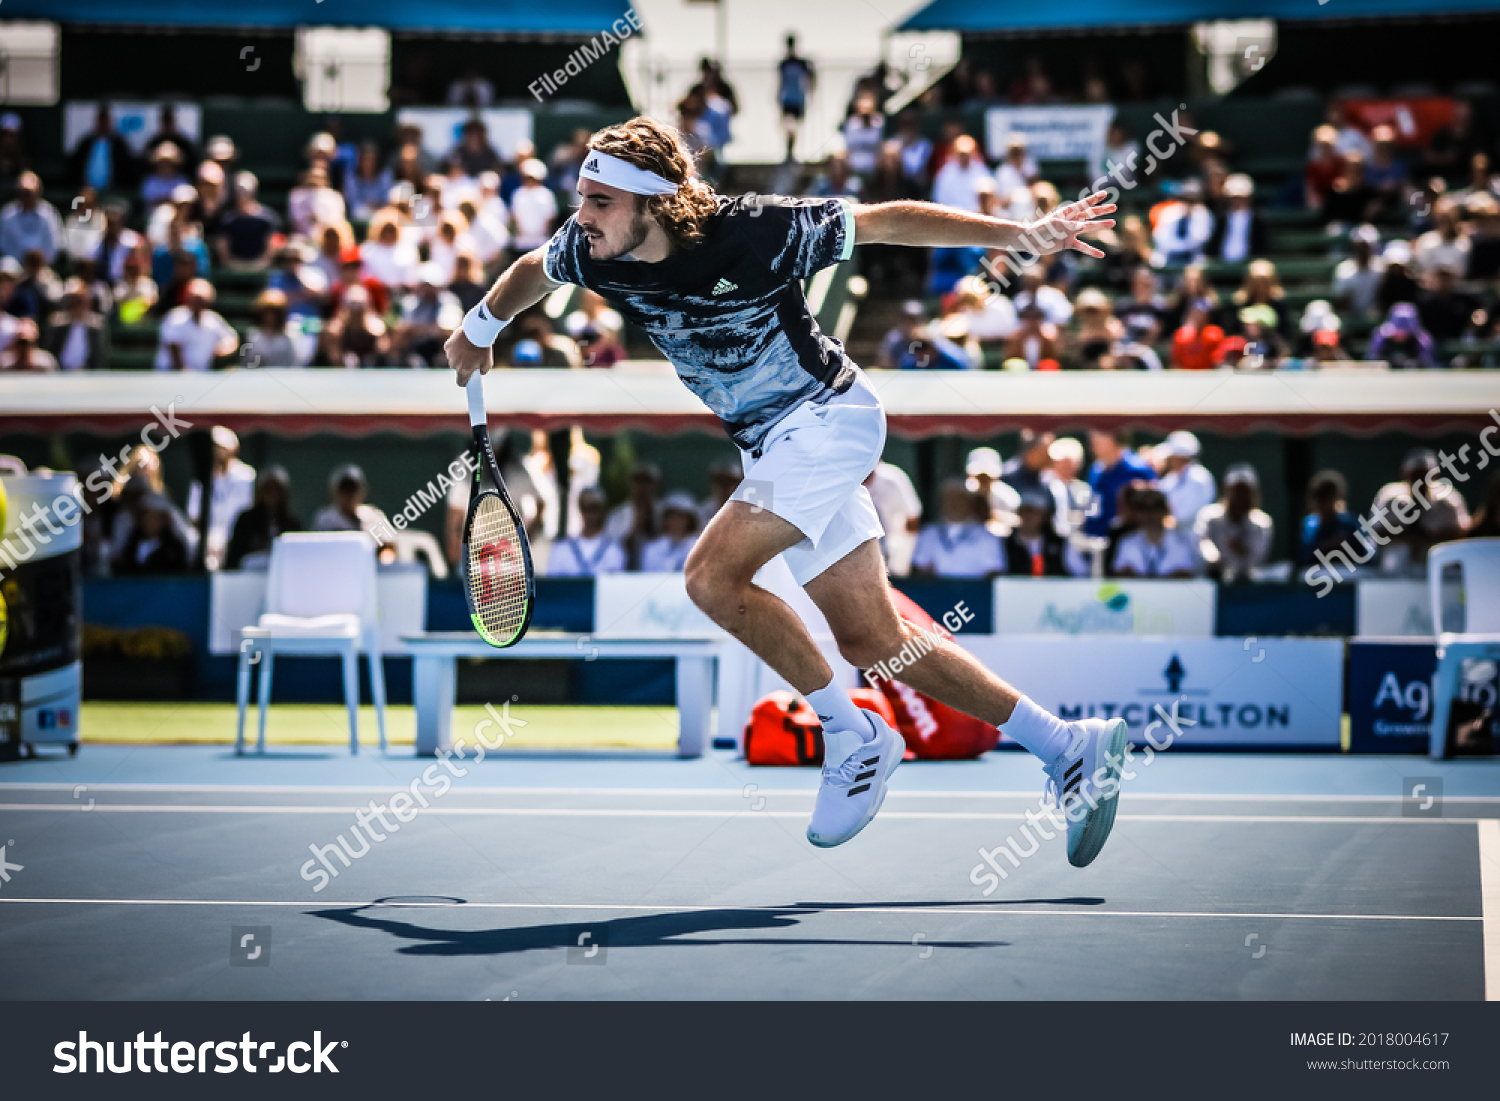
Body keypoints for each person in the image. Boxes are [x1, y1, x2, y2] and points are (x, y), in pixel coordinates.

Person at [442, 115, 1125, 858]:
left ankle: (853, 731)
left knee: (710, 577)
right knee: (875, 640)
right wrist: (480, 325)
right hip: (770, 446)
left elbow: (885, 221)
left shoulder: (757, 231)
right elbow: (531, 271)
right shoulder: (591, 248)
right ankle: (1066, 745)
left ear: (652, 203)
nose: (583, 215)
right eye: (582, 196)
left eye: (600, 200)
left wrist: (1020, 233)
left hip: (830, 419)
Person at [186, 426, 257, 570]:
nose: (217, 451)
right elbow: (193, 516)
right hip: (206, 543)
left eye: (221, 447)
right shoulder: (201, 479)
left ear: (233, 449)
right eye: (214, 447)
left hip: (236, 540)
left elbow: (247, 513)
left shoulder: (247, 476)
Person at [911, 480, 1006, 579]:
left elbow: (995, 573)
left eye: (958, 499)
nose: (953, 505)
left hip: (973, 592)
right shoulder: (928, 533)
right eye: (948, 500)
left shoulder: (986, 536)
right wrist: (925, 575)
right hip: (934, 592)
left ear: (969, 503)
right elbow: (917, 569)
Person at [1194, 464, 1272, 582]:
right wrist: (1215, 560)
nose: (1241, 496)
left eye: (1245, 491)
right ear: (1227, 490)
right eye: (1237, 490)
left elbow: (1258, 558)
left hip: (1248, 584)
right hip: (1212, 582)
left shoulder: (1262, 522)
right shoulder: (1209, 516)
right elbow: (1202, 543)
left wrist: (1241, 548)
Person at [1084, 427, 1156, 537]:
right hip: (1096, 539)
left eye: (1099, 436)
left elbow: (1152, 511)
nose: (1093, 442)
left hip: (1127, 542)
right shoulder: (1096, 469)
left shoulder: (1138, 470)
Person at [1111, 487, 1199, 578]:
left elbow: (1185, 573)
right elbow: (1121, 573)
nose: (1149, 515)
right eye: (1144, 509)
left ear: (1166, 510)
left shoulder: (1182, 541)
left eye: (1155, 508)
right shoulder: (1127, 541)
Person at [155, 279, 237, 371]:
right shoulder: (175, 318)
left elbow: (230, 338)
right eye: (195, 299)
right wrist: (185, 374)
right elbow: (174, 352)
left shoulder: (213, 319)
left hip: (200, 377)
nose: (199, 303)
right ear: (188, 298)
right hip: (172, 376)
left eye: (202, 300)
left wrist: (224, 348)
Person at [1004, 489, 1085, 577]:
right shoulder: (1007, 543)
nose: (1028, 517)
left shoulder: (1061, 544)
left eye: (1034, 512)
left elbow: (1080, 573)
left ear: (1045, 515)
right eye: (1025, 511)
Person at [547, 488, 626, 576]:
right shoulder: (562, 550)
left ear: (603, 510)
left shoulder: (614, 551)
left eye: (594, 508)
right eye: (585, 508)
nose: (590, 514)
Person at [312, 464, 393, 550]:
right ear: (335, 492)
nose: (349, 495)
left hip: (367, 562)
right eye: (344, 490)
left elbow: (389, 548)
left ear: (362, 491)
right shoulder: (324, 519)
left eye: (353, 489)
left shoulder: (374, 516)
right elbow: (316, 550)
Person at [863, 461, 921, 577]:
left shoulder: (893, 477)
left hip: (894, 556)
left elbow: (913, 518)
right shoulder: (844, 478)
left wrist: (904, 556)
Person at [215, 172, 280, 271]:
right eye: (239, 191)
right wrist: (232, 263)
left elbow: (274, 243)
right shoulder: (227, 219)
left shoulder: (268, 217)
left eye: (246, 191)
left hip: (261, 266)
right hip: (233, 267)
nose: (243, 195)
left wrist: (263, 263)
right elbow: (223, 248)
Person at [1298, 470, 1361, 569]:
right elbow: (1302, 556)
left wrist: (1346, 545)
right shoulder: (1309, 525)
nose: (1322, 502)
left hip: (1345, 575)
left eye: (1327, 497)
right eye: (1318, 497)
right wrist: (1325, 545)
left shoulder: (1349, 524)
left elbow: (1364, 555)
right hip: (1314, 576)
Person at [113, 494, 190, 575]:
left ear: (165, 520)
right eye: (146, 516)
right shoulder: (131, 542)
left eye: (155, 518)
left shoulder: (174, 549)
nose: (149, 522)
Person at [1155, 431, 1216, 529]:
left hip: (1193, 539)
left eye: (1171, 456)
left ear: (1180, 457)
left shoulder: (1199, 478)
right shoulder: (1172, 477)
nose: (1168, 460)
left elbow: (1187, 514)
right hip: (1174, 538)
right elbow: (1160, 494)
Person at [0, 172, 62, 265]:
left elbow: (55, 244)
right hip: (13, 268)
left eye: (29, 193)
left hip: (42, 267)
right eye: (22, 192)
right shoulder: (7, 214)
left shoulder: (49, 213)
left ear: (38, 192)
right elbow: (4, 244)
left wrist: (39, 263)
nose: (26, 197)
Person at [1205, 174, 1267, 263]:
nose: (1237, 201)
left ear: (1249, 197)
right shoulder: (1220, 217)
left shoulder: (1258, 218)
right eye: (1233, 198)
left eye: (1241, 197)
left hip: (1251, 263)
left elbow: (1262, 246)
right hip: (1220, 262)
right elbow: (1212, 245)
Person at [777, 35, 816, 163]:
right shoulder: (783, 64)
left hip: (798, 101)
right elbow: (781, 82)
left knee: (795, 129)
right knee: (789, 128)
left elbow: (811, 79)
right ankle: (789, 153)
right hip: (787, 101)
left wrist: (810, 92)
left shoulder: (802, 63)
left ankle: (792, 154)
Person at [639, 493, 700, 572]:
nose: (676, 521)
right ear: (665, 520)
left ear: (690, 520)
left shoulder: (698, 547)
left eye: (681, 517)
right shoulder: (652, 549)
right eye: (672, 516)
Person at [1367, 301, 1437, 369]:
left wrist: (1414, 364)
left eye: (1406, 331)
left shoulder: (1422, 340)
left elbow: (1430, 364)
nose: (1401, 334)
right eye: (1399, 330)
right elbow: (1371, 360)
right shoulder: (1381, 338)